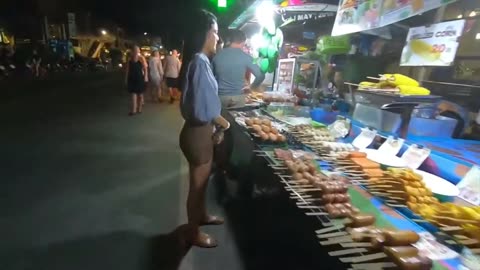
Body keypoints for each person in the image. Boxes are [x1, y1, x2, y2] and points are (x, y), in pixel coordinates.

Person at [179, 9, 229, 248]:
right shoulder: (200, 63)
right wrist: (221, 123)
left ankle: (201, 216)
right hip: (198, 133)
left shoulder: (200, 62)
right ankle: (192, 232)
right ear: (206, 34)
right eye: (216, 33)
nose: (218, 39)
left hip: (198, 132)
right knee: (197, 187)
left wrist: (218, 122)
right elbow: (202, 110)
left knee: (202, 181)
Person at [212, 29, 265, 109]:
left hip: (220, 97)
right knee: (236, 119)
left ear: (229, 40)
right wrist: (251, 87)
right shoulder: (246, 57)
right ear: (243, 42)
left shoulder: (217, 56)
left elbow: (210, 77)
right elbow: (260, 75)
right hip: (238, 97)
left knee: (220, 120)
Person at [125, 45, 148, 115]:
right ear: (132, 51)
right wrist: (126, 78)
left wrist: (146, 76)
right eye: (134, 50)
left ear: (139, 51)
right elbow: (127, 70)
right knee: (133, 94)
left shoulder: (141, 58)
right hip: (132, 78)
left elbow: (145, 68)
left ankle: (139, 108)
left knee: (140, 95)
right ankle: (134, 110)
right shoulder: (130, 59)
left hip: (140, 78)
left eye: (137, 50)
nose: (136, 51)